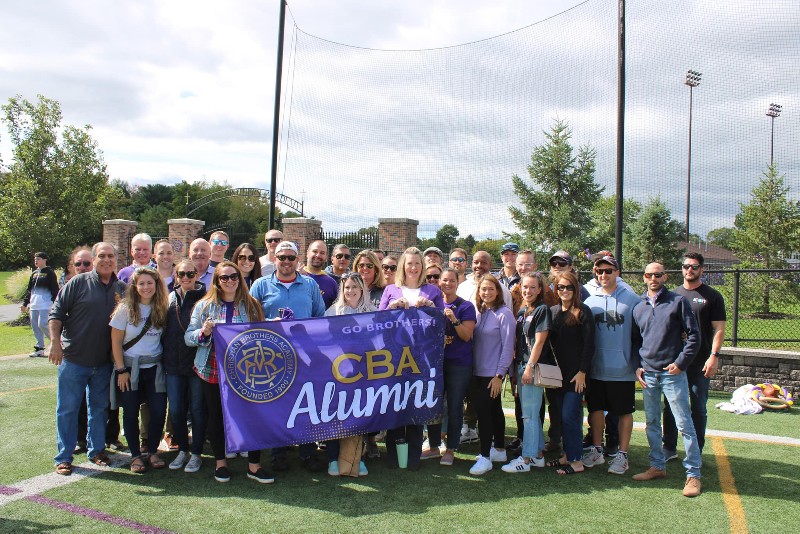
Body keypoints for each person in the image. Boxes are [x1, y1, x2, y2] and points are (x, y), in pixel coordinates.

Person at [186, 261, 272, 483]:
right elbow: (189, 337)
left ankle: (254, 465)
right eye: (224, 278)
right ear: (216, 281)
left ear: (239, 279)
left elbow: (262, 332)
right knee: (215, 417)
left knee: (252, 416)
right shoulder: (204, 306)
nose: (230, 281)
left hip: (247, 370)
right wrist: (203, 333)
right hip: (212, 367)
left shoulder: (251, 305)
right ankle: (220, 463)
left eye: (234, 277)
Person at [49, 242, 126, 475]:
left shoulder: (122, 288)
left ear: (116, 260)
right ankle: (63, 456)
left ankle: (96, 451)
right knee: (68, 409)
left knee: (99, 409)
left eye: (110, 256)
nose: (106, 260)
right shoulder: (77, 283)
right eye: (101, 256)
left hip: (104, 363)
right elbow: (56, 313)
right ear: (93, 259)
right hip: (74, 359)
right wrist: (54, 343)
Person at [250, 241, 326, 473]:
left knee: (306, 402)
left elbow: (319, 316)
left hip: (304, 354)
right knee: (277, 405)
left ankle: (307, 451)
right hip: (272, 355)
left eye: (290, 258)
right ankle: (278, 453)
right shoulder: (261, 285)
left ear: (297, 260)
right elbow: (250, 319)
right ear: (275, 259)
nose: (286, 262)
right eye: (281, 257)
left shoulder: (310, 285)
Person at [632, 262, 702, 498]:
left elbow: (694, 336)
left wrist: (680, 363)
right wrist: (637, 366)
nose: (653, 278)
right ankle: (657, 467)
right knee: (652, 423)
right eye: (649, 275)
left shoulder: (677, 302)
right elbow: (635, 342)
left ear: (665, 277)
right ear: (644, 278)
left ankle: (693, 475)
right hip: (648, 375)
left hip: (672, 374)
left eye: (658, 275)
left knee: (684, 424)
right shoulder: (638, 306)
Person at [379, 246, 444, 470]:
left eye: (417, 263)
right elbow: (378, 322)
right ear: (403, 266)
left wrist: (433, 308)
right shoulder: (390, 289)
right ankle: (394, 456)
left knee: (416, 404)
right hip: (394, 356)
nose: (414, 267)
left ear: (422, 266)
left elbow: (440, 323)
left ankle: (414, 457)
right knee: (395, 404)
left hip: (421, 357)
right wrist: (391, 307)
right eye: (409, 263)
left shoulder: (433, 291)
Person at [581, 255, 641, 476]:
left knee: (624, 412)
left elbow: (640, 335)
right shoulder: (589, 301)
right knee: (595, 409)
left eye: (608, 271)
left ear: (617, 272)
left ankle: (622, 455)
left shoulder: (632, 299)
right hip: (596, 369)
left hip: (623, 371)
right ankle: (597, 450)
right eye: (599, 271)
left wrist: (635, 364)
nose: (603, 275)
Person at [664, 252, 726, 458]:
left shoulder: (713, 296)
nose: (689, 270)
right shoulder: (672, 295)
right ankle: (669, 448)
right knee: (670, 406)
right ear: (681, 269)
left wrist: (714, 356)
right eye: (686, 266)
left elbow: (719, 329)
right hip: (675, 361)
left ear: (702, 270)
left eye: (694, 267)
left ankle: (696, 451)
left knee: (698, 408)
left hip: (700, 362)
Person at [109, 267, 169, 473]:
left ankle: (152, 450)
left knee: (159, 410)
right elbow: (116, 342)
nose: (146, 287)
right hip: (130, 368)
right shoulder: (125, 308)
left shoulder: (162, 306)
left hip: (154, 367)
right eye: (141, 283)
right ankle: (135, 455)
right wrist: (120, 370)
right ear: (135, 286)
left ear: (156, 285)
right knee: (131, 412)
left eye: (150, 283)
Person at [420, 267, 476, 466]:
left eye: (452, 280)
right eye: (444, 280)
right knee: (433, 405)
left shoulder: (466, 306)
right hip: (436, 363)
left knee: (454, 406)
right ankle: (434, 446)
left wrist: (454, 319)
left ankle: (451, 448)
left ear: (458, 282)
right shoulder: (433, 304)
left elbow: (467, 336)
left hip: (459, 365)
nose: (448, 283)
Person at [324, 272, 375, 477]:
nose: (350, 291)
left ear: (362, 289)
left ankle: (358, 458)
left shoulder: (372, 311)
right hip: (337, 373)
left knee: (359, 416)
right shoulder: (333, 312)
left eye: (354, 287)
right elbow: (324, 341)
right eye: (347, 287)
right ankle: (332, 459)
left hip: (363, 374)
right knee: (334, 417)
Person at [501, 272, 552, 473]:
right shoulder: (522, 310)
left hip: (531, 366)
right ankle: (538, 454)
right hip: (521, 365)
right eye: (525, 287)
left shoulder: (542, 310)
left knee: (529, 415)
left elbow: (540, 341)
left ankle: (527, 458)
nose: (528, 291)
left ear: (540, 290)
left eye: (532, 287)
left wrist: (530, 366)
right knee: (529, 413)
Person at [548, 271, 594, 475]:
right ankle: (567, 455)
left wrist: (583, 371)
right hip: (555, 375)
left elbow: (590, 345)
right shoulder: (552, 311)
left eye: (569, 287)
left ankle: (576, 461)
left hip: (576, 376)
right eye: (560, 287)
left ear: (576, 289)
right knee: (559, 415)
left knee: (570, 416)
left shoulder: (583, 311)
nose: (564, 291)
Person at [467, 274, 514, 476]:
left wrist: (499, 375)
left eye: (491, 289)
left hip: (492, 374)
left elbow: (508, 347)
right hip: (477, 372)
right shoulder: (481, 312)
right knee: (494, 411)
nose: (486, 293)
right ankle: (499, 450)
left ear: (498, 292)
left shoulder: (505, 314)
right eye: (483, 289)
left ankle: (485, 457)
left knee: (485, 415)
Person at [163, 259, 207, 473]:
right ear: (176, 276)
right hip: (173, 364)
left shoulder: (205, 299)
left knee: (198, 410)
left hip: (197, 363)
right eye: (182, 274)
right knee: (177, 410)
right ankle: (183, 449)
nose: (187, 278)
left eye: (191, 273)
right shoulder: (169, 298)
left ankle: (197, 452)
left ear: (197, 275)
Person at [22, 252, 60, 358]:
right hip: (34, 305)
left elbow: (55, 289)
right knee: (35, 327)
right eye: (35, 259)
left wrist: (56, 304)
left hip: (45, 304)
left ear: (44, 260)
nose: (36, 260)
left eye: (38, 259)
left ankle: (58, 343)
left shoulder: (50, 273)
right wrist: (25, 303)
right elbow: (29, 290)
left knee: (42, 324)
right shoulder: (34, 274)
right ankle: (40, 348)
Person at [300, 240, 339, 308]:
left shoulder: (331, 283)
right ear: (307, 253)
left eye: (322, 253)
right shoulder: (296, 276)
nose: (318, 255)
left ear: (326, 257)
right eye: (315, 251)